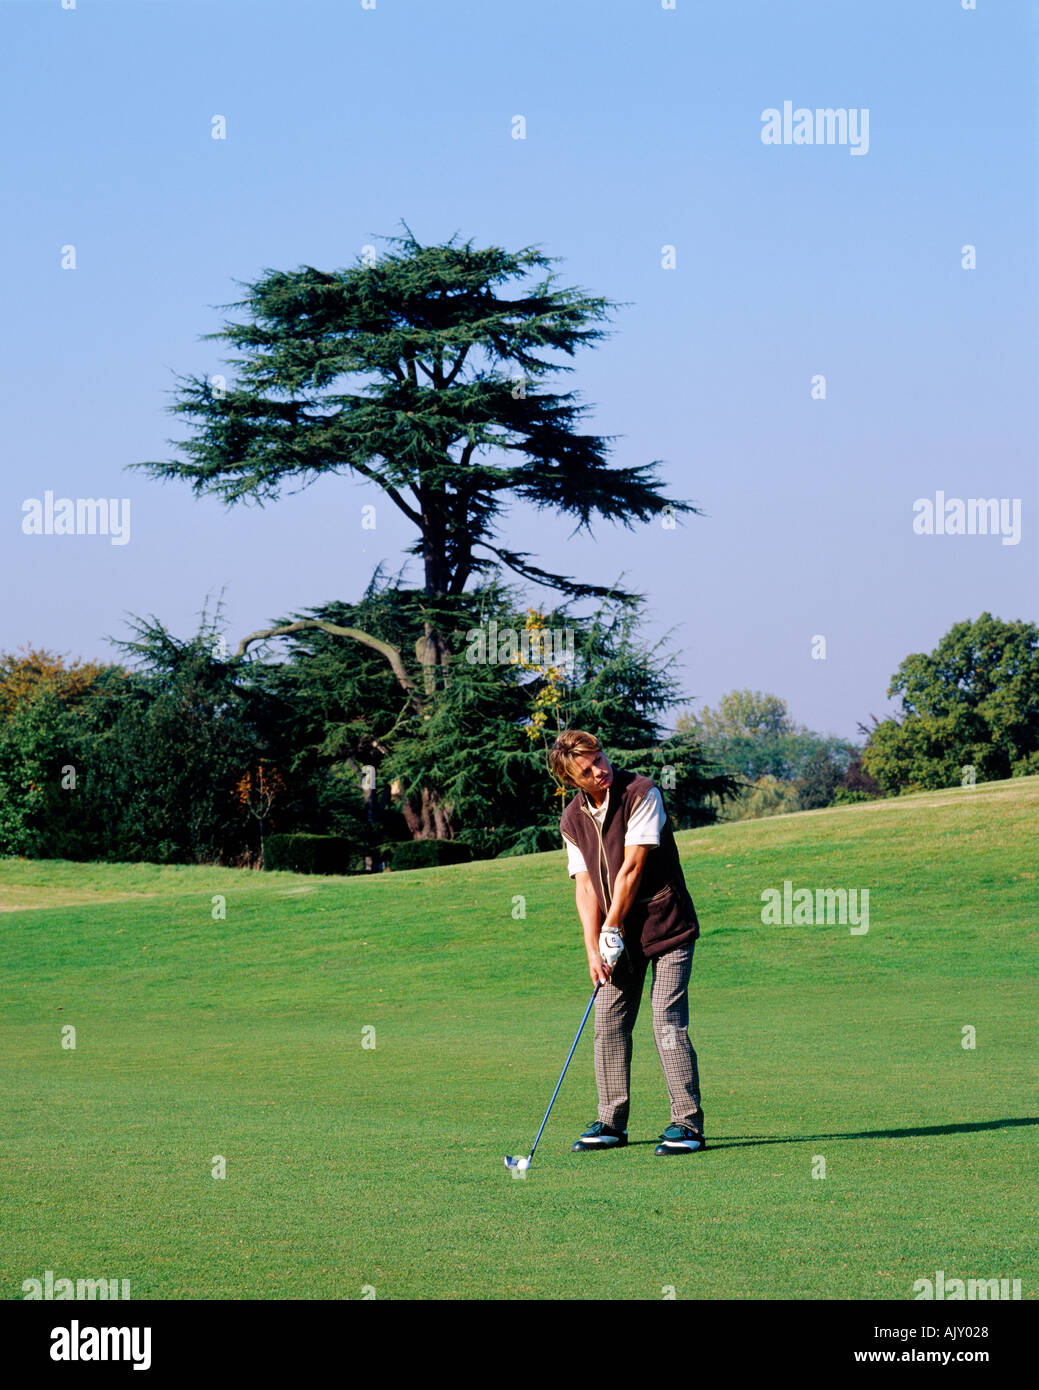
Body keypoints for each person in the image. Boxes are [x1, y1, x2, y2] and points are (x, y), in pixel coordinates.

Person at [549, 729, 707, 1155]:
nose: (600, 770)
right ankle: (611, 1121)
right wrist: (592, 949)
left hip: (666, 925)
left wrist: (612, 927)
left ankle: (687, 1124)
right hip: (617, 936)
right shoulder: (572, 819)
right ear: (572, 780)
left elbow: (633, 868)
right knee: (609, 1022)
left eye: (600, 758)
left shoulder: (642, 793)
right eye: (587, 769)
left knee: (666, 1021)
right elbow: (584, 887)